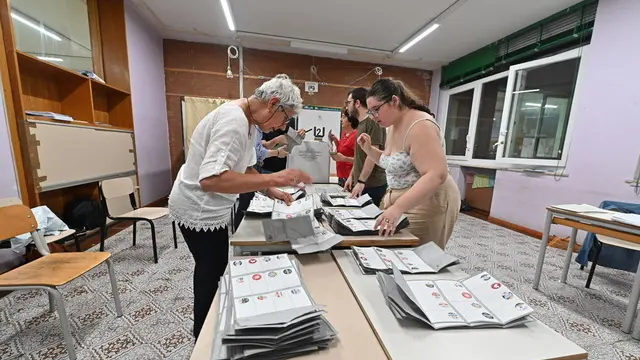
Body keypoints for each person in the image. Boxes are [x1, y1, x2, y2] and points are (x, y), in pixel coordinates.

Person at [168, 74, 312, 339]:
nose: (283, 126)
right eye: (286, 118)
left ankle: (207, 324)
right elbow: (211, 179)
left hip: (210, 207)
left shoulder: (247, 121)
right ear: (273, 103)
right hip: (199, 208)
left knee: (214, 265)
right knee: (210, 269)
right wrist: (274, 177)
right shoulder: (234, 120)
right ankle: (203, 333)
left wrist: (271, 190)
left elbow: (244, 166)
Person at [356, 78, 460, 249]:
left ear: (394, 101)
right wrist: (369, 149)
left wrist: (398, 207)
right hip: (400, 198)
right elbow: (393, 162)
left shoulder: (420, 125)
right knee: (390, 249)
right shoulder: (391, 126)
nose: (373, 117)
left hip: (428, 199)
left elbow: (436, 174)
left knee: (415, 254)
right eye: (371, 112)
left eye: (376, 110)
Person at [233, 125, 289, 231]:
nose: (283, 125)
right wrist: (276, 151)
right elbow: (259, 151)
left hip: (256, 167)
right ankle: (240, 235)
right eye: (284, 119)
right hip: (257, 167)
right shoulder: (256, 127)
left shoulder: (259, 128)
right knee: (246, 203)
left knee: (251, 202)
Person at [344, 87, 387, 206]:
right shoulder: (361, 123)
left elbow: (372, 155)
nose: (347, 107)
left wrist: (361, 181)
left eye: (348, 102)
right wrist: (351, 176)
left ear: (357, 103)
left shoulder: (372, 122)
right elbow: (359, 156)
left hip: (372, 184)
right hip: (361, 182)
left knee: (367, 221)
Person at [329, 108, 358, 187]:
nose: (341, 119)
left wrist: (344, 158)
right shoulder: (345, 134)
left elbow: (359, 160)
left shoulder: (355, 136)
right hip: (341, 175)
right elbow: (343, 149)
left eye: (343, 117)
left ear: (350, 121)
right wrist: (335, 141)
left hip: (349, 177)